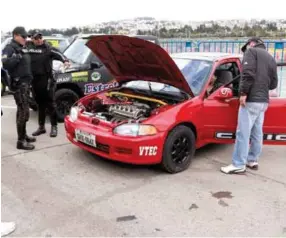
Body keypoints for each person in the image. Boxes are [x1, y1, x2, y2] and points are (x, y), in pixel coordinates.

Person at [221, 37, 278, 174]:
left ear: (251, 44)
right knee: (257, 132)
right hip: (263, 101)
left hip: (251, 99)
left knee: (243, 132)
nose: (246, 50)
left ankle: (238, 164)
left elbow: (247, 74)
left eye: (246, 47)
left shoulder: (251, 52)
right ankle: (252, 160)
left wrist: (243, 93)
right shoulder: (270, 57)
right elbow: (274, 83)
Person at [26, 32, 70, 137]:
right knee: (40, 104)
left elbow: (60, 55)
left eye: (40, 37)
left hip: (47, 80)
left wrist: (65, 61)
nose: (39, 40)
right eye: (36, 38)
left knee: (50, 103)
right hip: (35, 81)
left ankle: (54, 127)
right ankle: (41, 127)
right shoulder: (29, 48)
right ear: (32, 39)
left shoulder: (48, 48)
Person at [2, 26, 36, 150]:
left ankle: (23, 135)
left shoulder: (22, 47)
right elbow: (5, 63)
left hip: (25, 84)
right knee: (24, 112)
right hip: (19, 85)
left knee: (21, 111)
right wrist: (18, 57)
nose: (25, 38)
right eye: (23, 36)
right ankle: (20, 141)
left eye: (26, 36)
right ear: (15, 35)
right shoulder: (9, 48)